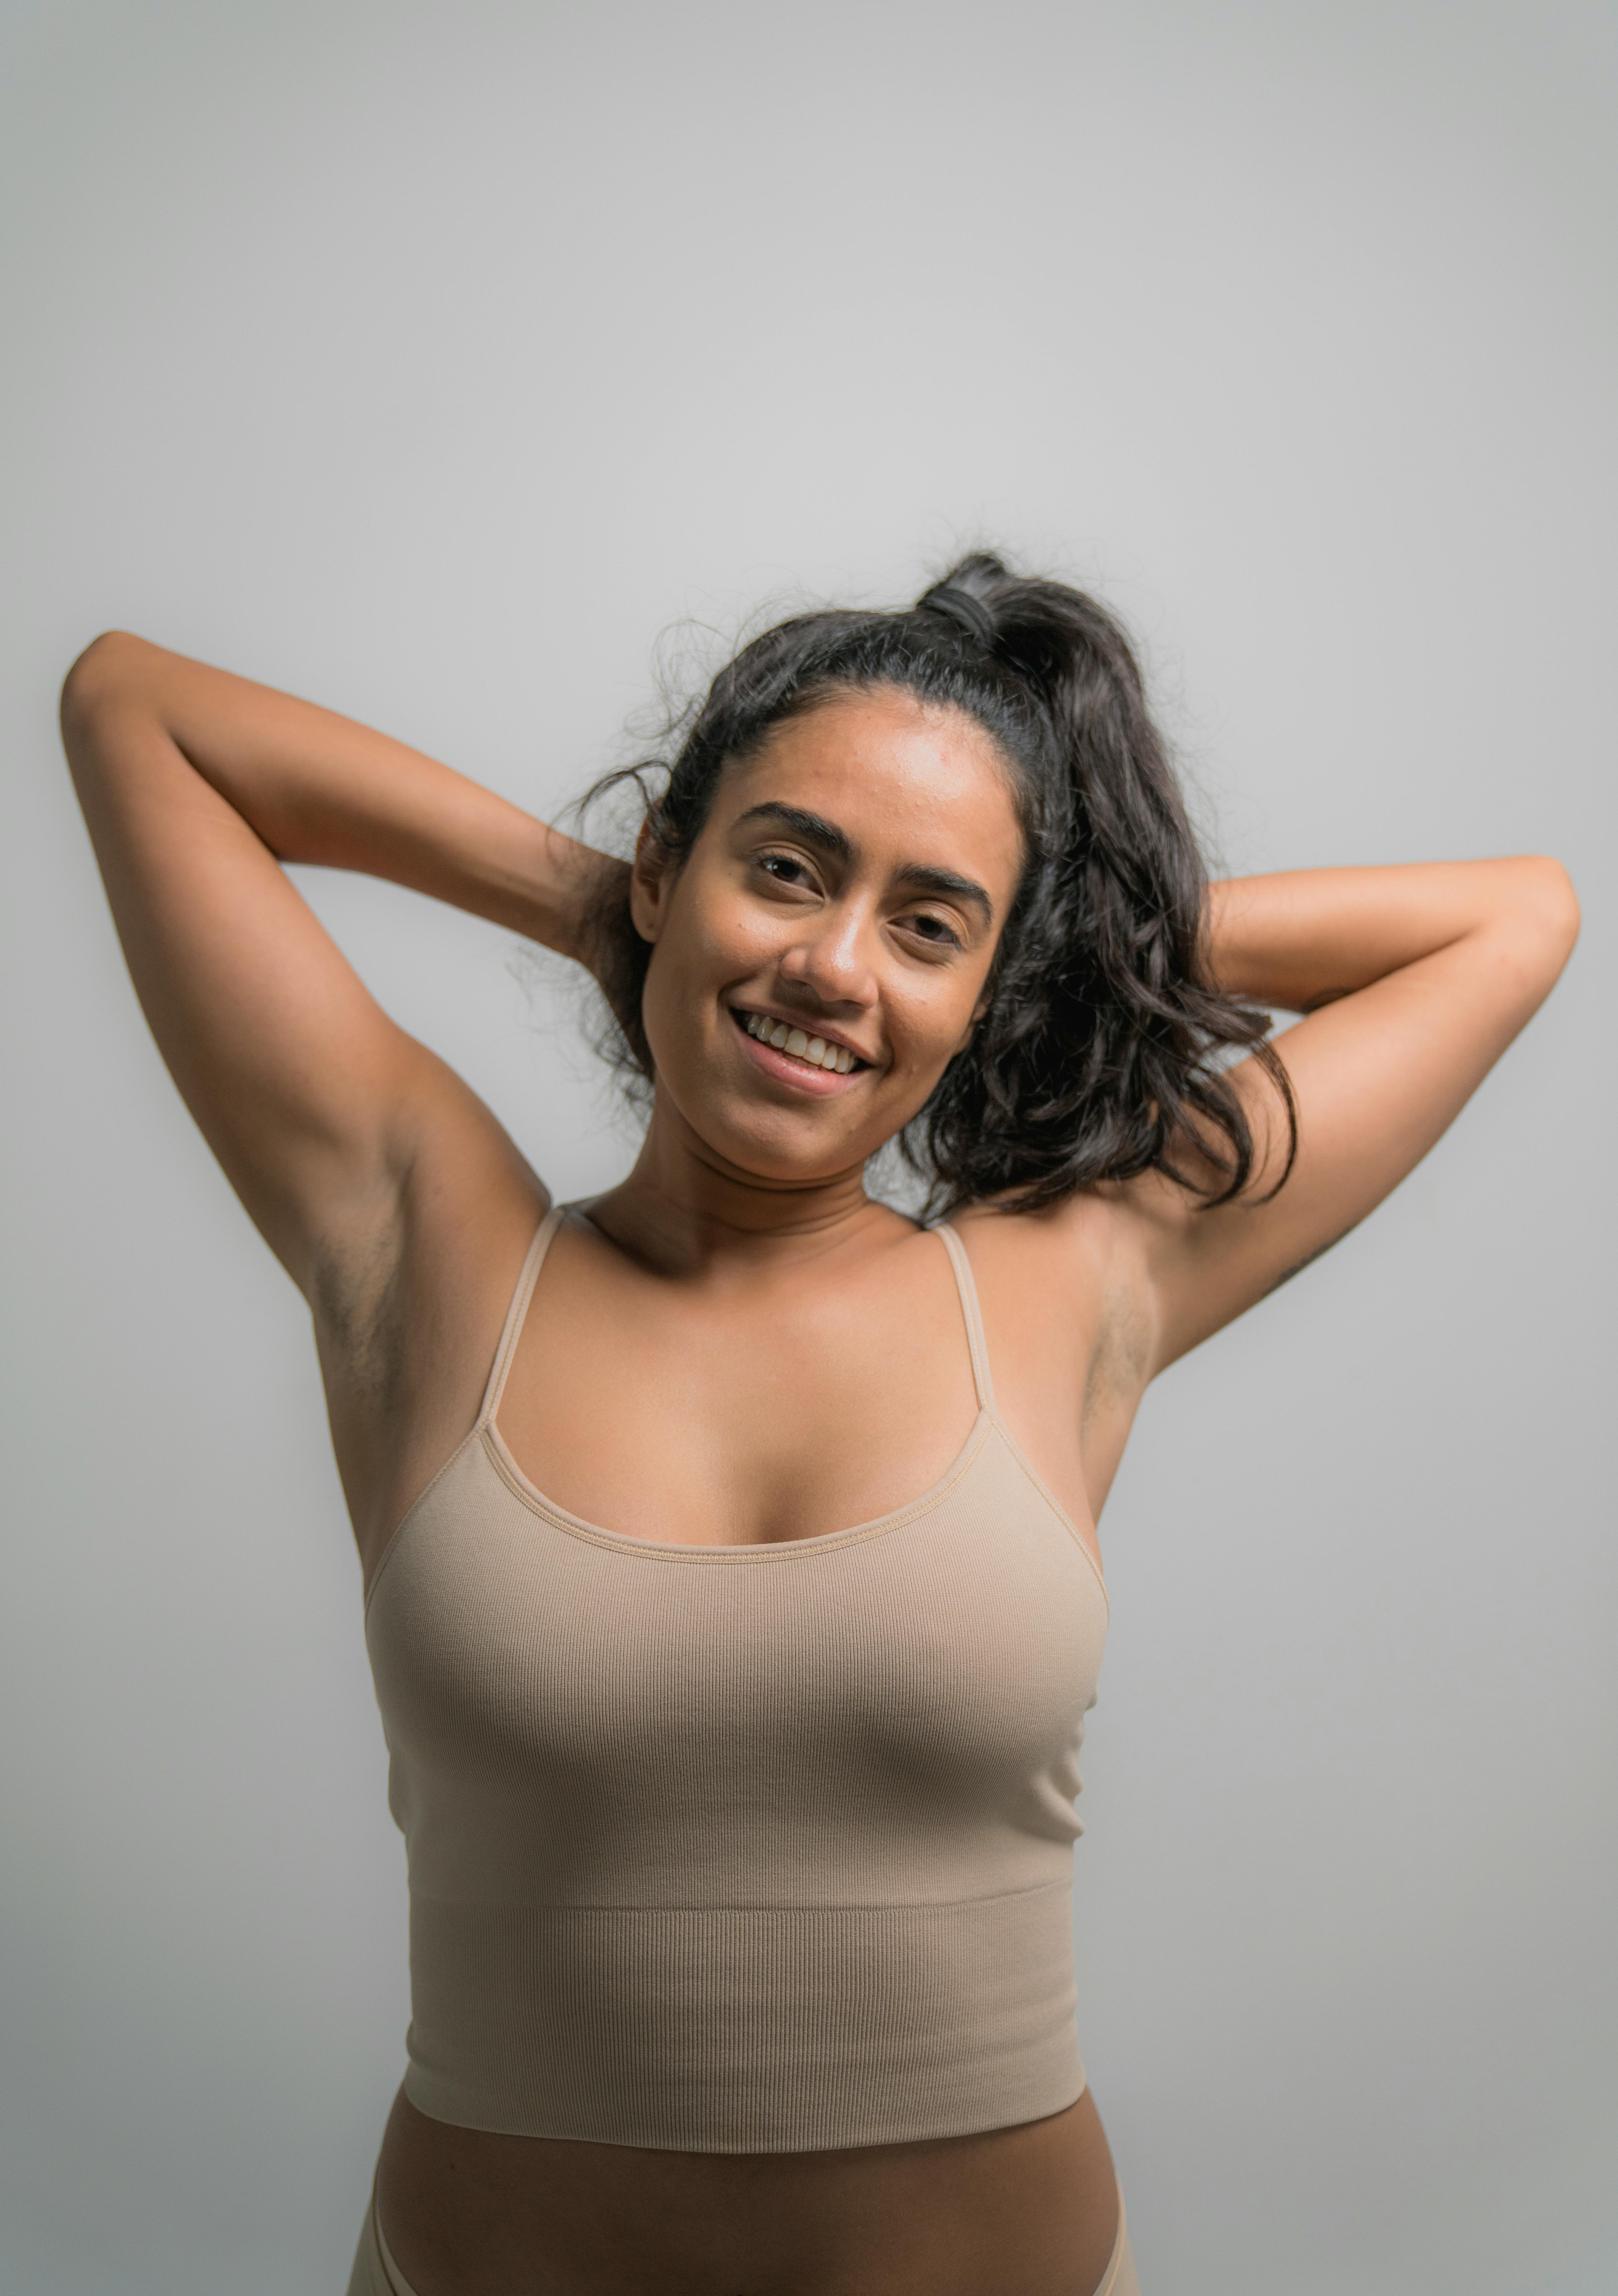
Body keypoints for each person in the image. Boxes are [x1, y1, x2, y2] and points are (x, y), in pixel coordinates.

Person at [59, 554, 1578, 2296]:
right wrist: (608, 909)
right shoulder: (428, 1243)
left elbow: (1511, 919)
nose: (834, 966)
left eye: (928, 925)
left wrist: (1047, 944)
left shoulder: (1072, 1280)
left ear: (992, 979)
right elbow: (134, 708)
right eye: (784, 870)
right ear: (667, 863)